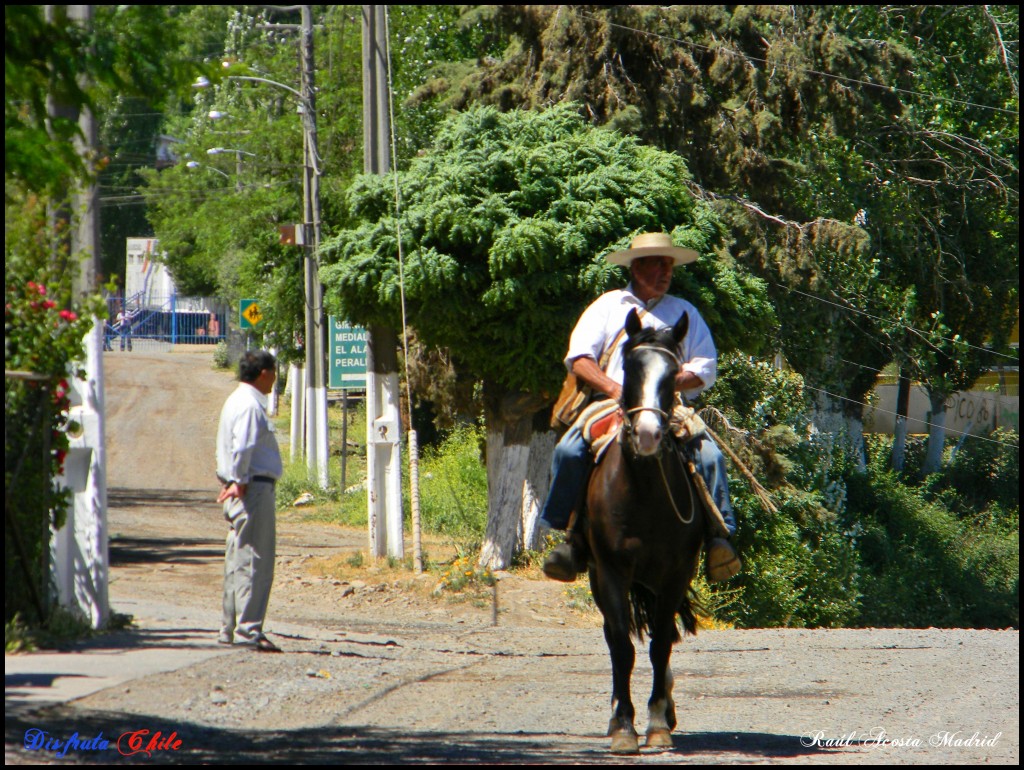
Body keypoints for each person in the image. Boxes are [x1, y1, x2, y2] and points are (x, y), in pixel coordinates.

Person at [540, 232, 741, 583]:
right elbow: (580, 358)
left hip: (668, 407)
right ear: (636, 266)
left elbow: (705, 367)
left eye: (669, 264)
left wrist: (665, 383)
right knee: (569, 450)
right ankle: (568, 538)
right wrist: (615, 387)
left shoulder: (684, 311)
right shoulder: (607, 306)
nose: (666, 271)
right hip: (611, 402)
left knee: (711, 457)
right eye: (657, 263)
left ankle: (718, 538)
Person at [216, 350, 284, 652]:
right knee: (255, 560)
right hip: (251, 488)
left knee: (238, 558)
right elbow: (242, 448)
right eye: (274, 373)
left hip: (243, 485)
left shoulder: (238, 399)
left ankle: (230, 628)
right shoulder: (249, 405)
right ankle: (248, 630)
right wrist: (240, 481)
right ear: (263, 373)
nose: (275, 380)